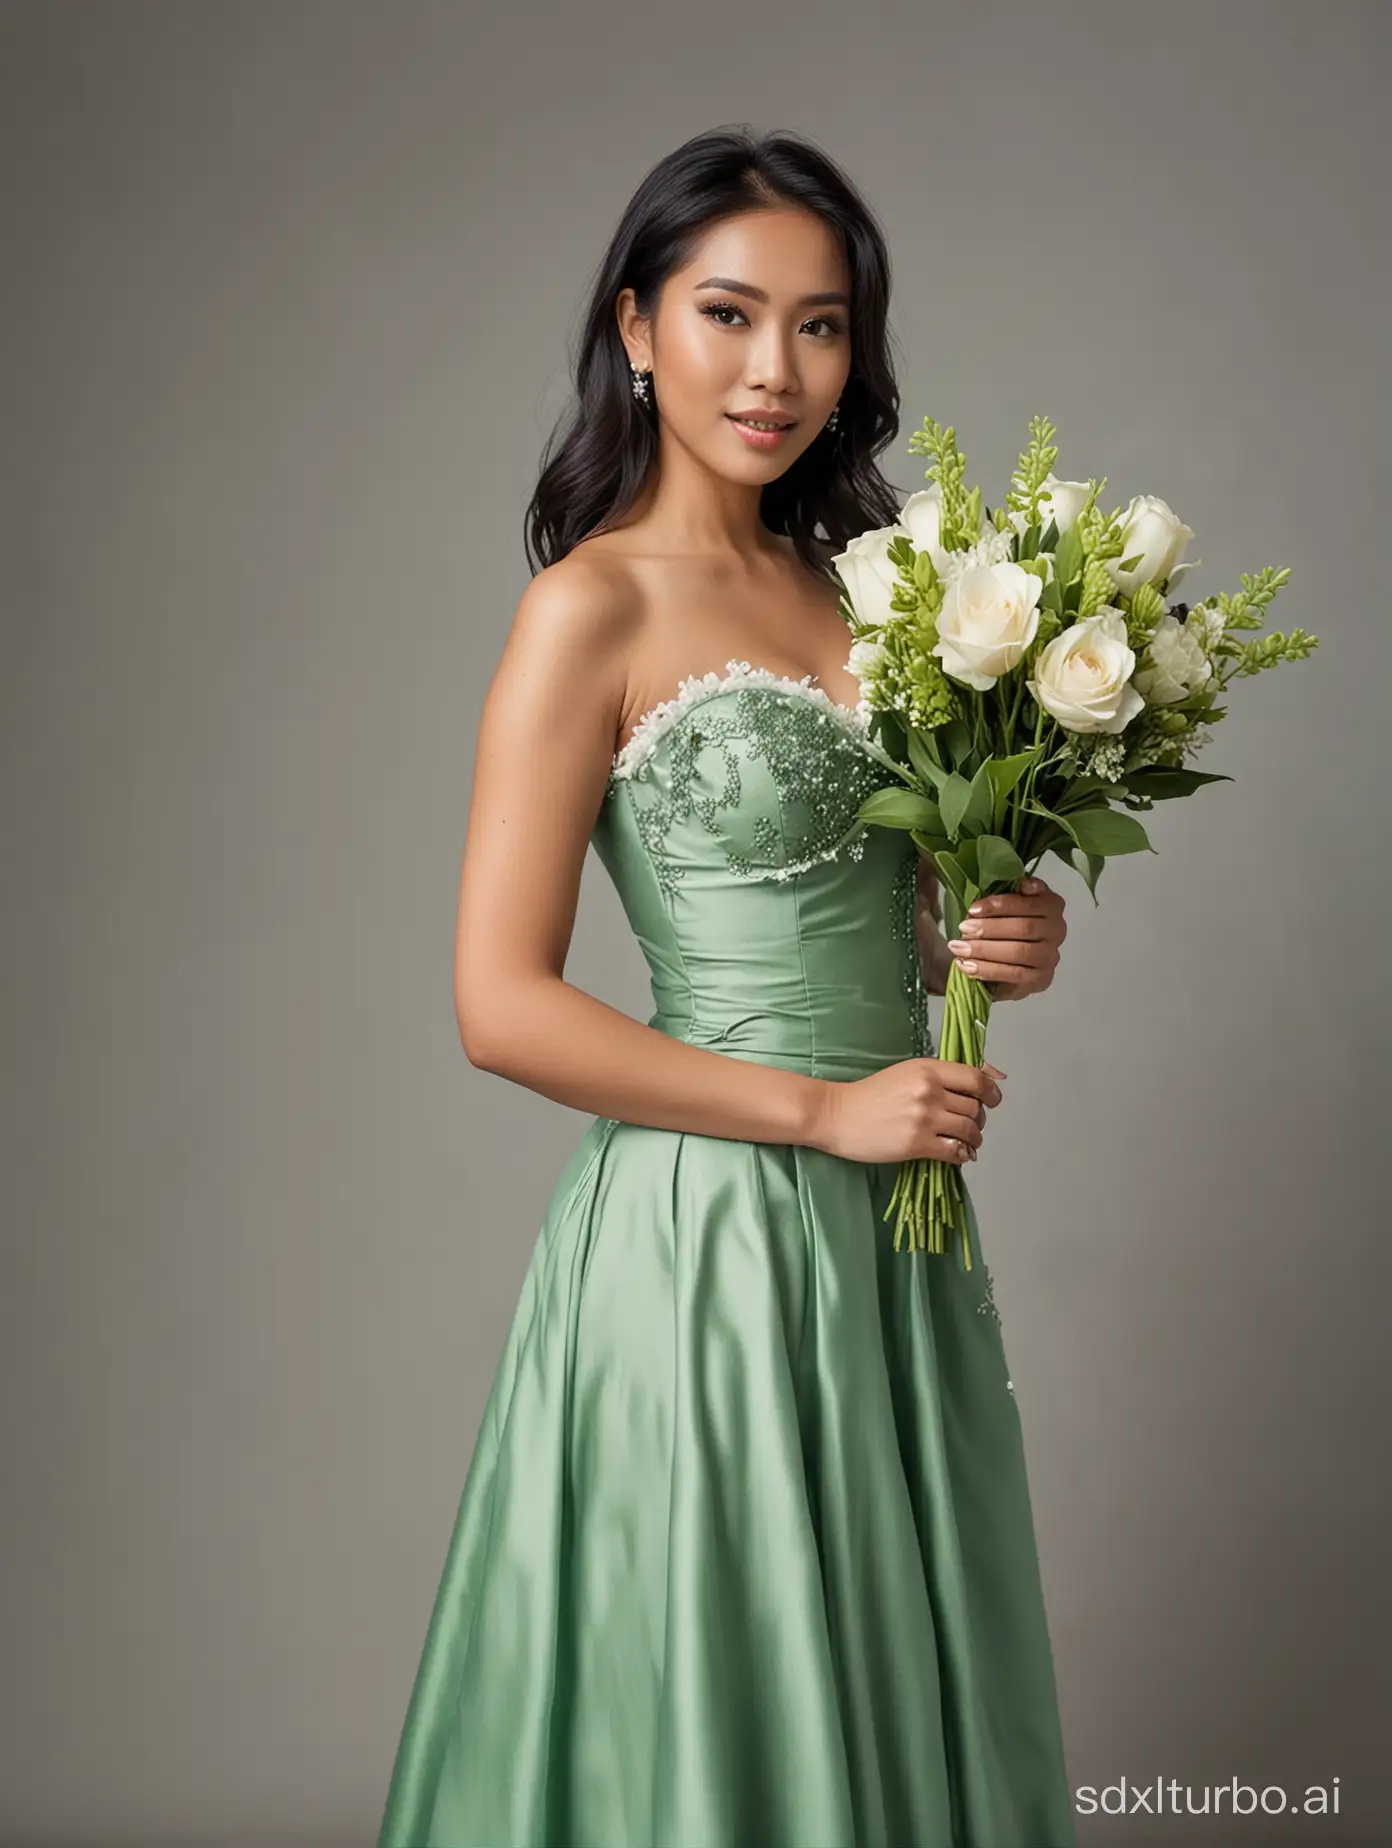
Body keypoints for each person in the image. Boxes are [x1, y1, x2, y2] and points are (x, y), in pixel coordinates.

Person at [376, 125, 1075, 1848]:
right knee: (715, 1700)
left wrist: (998, 939)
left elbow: (893, 928)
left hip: (897, 1225)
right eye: (729, 315)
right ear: (635, 326)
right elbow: (498, 1002)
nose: (777, 371)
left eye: (823, 327)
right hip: (714, 1233)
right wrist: (820, 1112)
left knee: (890, 1687)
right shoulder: (587, 610)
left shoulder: (882, 594)